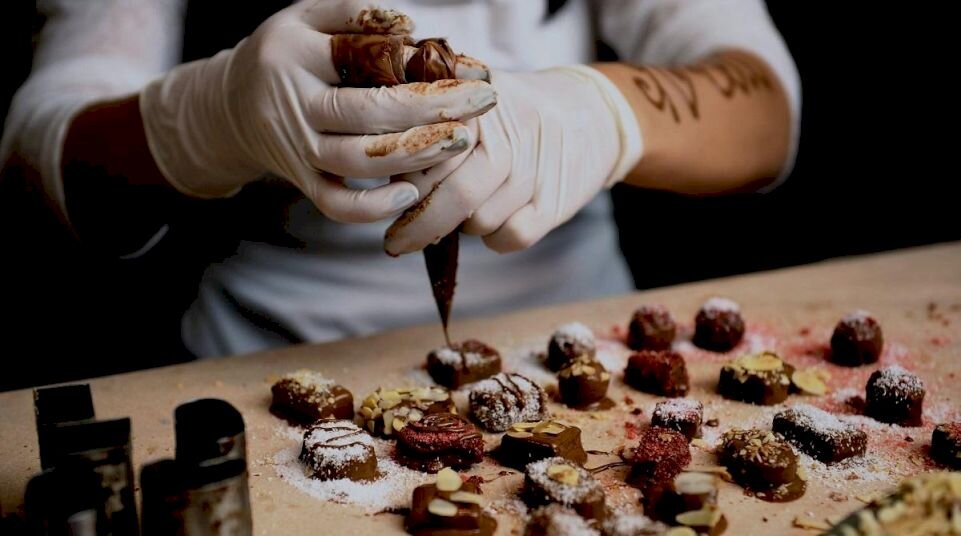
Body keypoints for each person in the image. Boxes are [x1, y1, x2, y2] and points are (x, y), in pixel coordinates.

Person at [1, 0, 799, 359]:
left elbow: (766, 116)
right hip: (264, 357)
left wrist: (602, 112)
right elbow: (38, 173)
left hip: (579, 343)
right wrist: (206, 117)